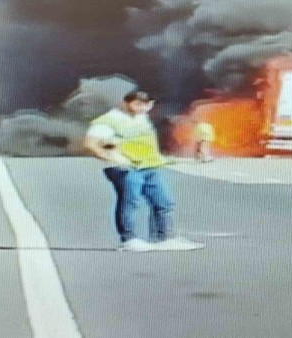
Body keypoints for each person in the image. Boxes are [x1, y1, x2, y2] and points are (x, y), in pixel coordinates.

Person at [84, 90, 203, 252]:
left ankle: (163, 238)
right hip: (126, 168)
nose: (142, 108)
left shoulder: (142, 117)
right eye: (138, 104)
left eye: (147, 104)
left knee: (163, 202)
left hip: (149, 166)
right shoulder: (108, 121)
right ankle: (128, 240)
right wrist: (114, 160)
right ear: (126, 103)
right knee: (130, 202)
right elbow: (91, 144)